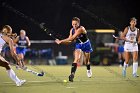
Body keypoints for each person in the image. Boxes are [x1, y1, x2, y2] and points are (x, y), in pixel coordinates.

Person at [55, 17, 93, 82]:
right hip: (78, 45)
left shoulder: (81, 29)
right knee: (76, 59)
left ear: (79, 24)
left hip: (86, 44)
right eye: (73, 24)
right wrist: (62, 42)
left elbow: (72, 38)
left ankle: (88, 69)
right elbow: (70, 40)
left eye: (76, 24)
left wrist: (61, 41)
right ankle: (72, 75)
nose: (74, 26)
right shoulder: (71, 30)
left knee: (86, 61)